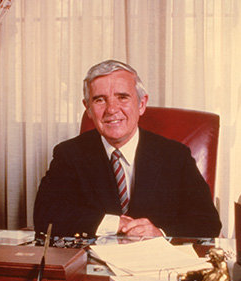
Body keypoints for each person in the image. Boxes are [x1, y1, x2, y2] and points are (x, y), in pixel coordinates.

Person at [33, 60, 221, 238]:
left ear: (141, 104)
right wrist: (114, 224)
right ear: (88, 109)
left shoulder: (174, 155)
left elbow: (208, 221)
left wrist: (160, 233)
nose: (112, 109)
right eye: (100, 100)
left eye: (122, 97)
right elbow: (45, 216)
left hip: (156, 264)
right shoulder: (69, 154)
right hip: (94, 265)